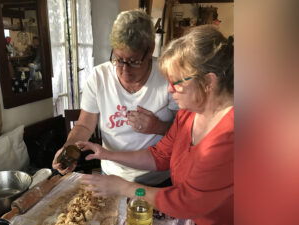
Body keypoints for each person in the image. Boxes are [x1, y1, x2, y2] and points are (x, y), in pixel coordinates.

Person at [78, 24, 234, 225]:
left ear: (208, 82)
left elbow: (186, 202)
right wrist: (106, 154)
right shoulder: (187, 114)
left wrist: (123, 187)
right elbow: (158, 156)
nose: (169, 90)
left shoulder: (231, 134)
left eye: (177, 82)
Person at [52, 9, 178, 186]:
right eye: (119, 59)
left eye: (134, 61)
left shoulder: (168, 75)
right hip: (112, 176)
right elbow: (84, 124)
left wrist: (158, 126)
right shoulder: (99, 77)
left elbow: (186, 132)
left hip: (157, 177)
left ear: (150, 51)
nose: (125, 70)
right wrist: (69, 147)